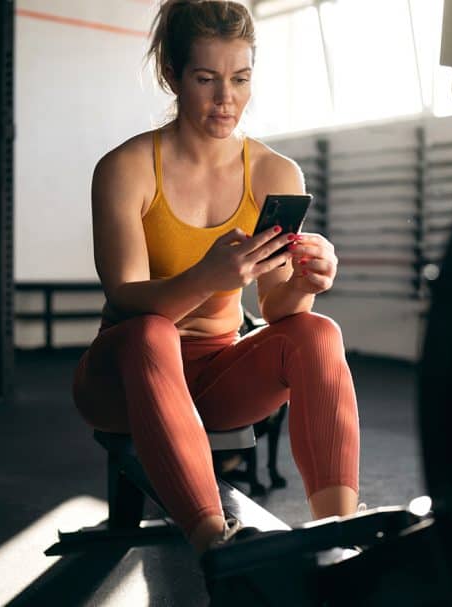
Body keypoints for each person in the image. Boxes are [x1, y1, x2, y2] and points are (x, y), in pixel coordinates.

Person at [71, 0, 360, 556]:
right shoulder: (126, 169)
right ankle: (216, 548)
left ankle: (338, 540)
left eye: (240, 79)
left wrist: (307, 283)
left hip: (215, 379)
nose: (226, 99)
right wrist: (208, 276)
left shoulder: (274, 172)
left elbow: (279, 311)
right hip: (122, 379)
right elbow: (127, 299)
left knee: (319, 332)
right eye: (206, 79)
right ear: (172, 75)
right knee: (150, 333)